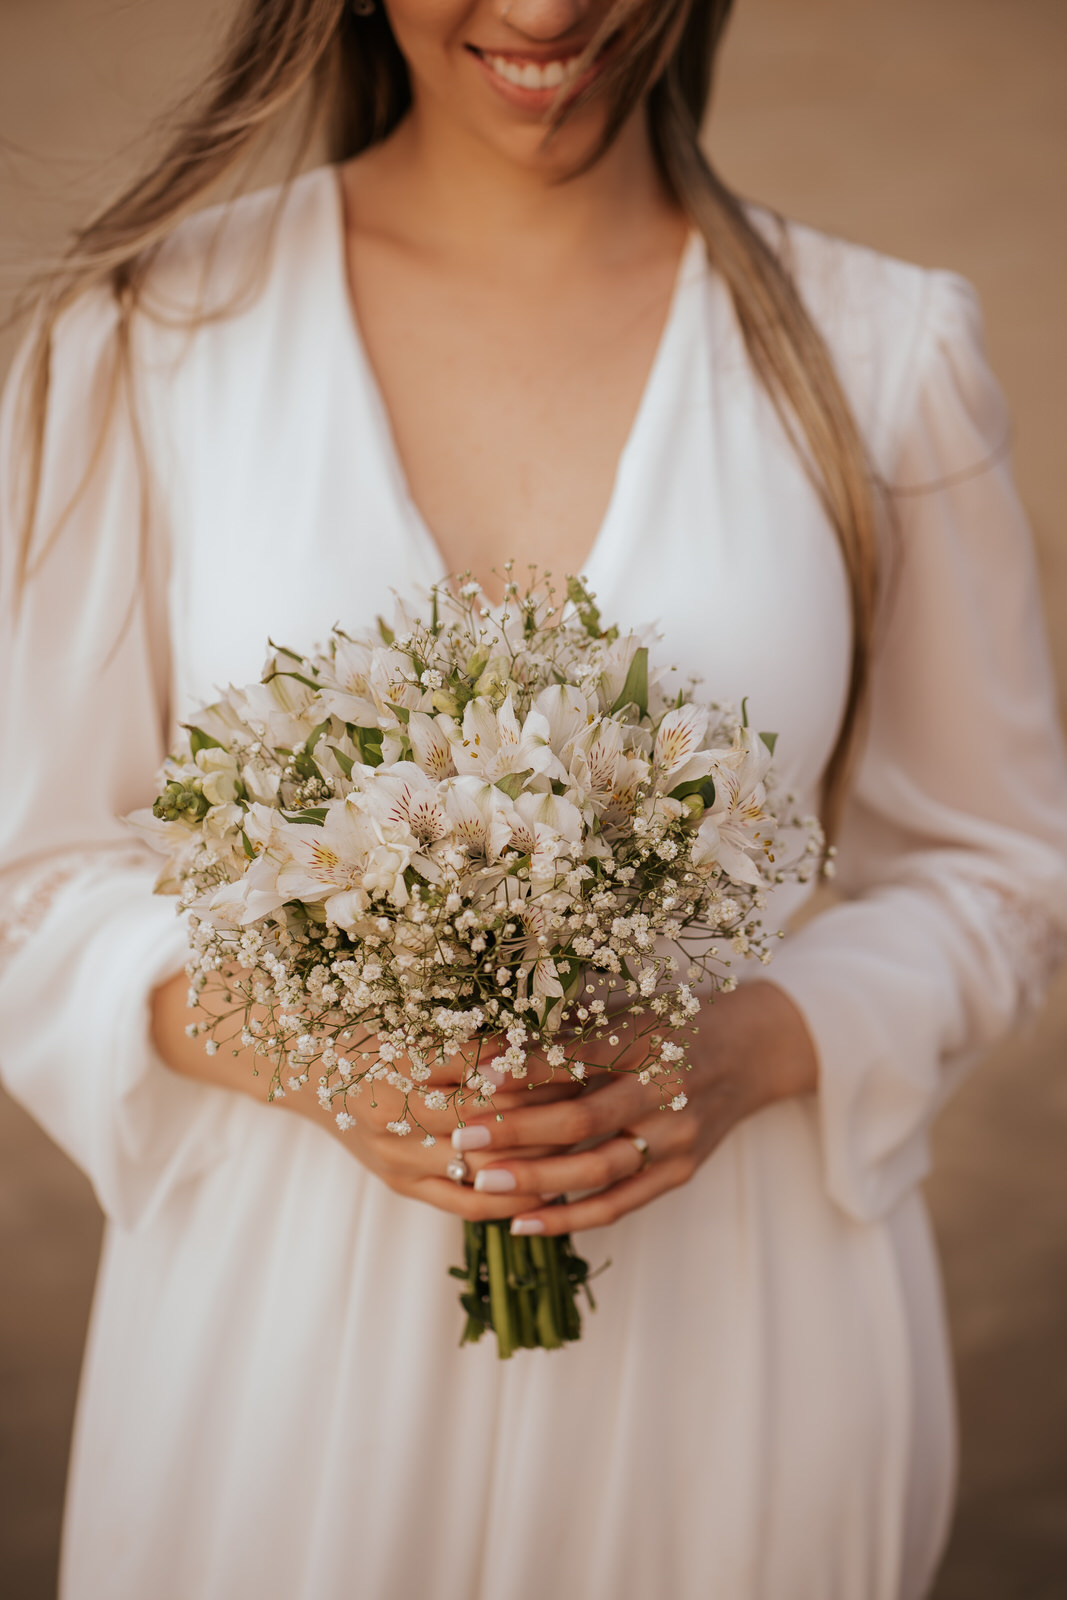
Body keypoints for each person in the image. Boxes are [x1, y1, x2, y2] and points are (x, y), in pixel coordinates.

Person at [2, 1, 1065, 1596]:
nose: (546, 9)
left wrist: (754, 1048)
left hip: (749, 1350)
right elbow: (30, 874)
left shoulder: (880, 345)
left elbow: (1003, 865)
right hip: (291, 1356)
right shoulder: (150, 327)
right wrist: (311, 1062)